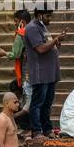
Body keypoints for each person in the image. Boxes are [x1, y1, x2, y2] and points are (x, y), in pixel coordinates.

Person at [23, 7, 63, 139]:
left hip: (50, 72)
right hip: (41, 72)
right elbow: (40, 49)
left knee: (47, 103)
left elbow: (49, 45)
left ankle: (47, 129)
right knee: (38, 103)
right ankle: (37, 131)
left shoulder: (42, 27)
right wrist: (55, 40)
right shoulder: (33, 28)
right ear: (39, 15)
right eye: (48, 16)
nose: (50, 19)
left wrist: (57, 41)